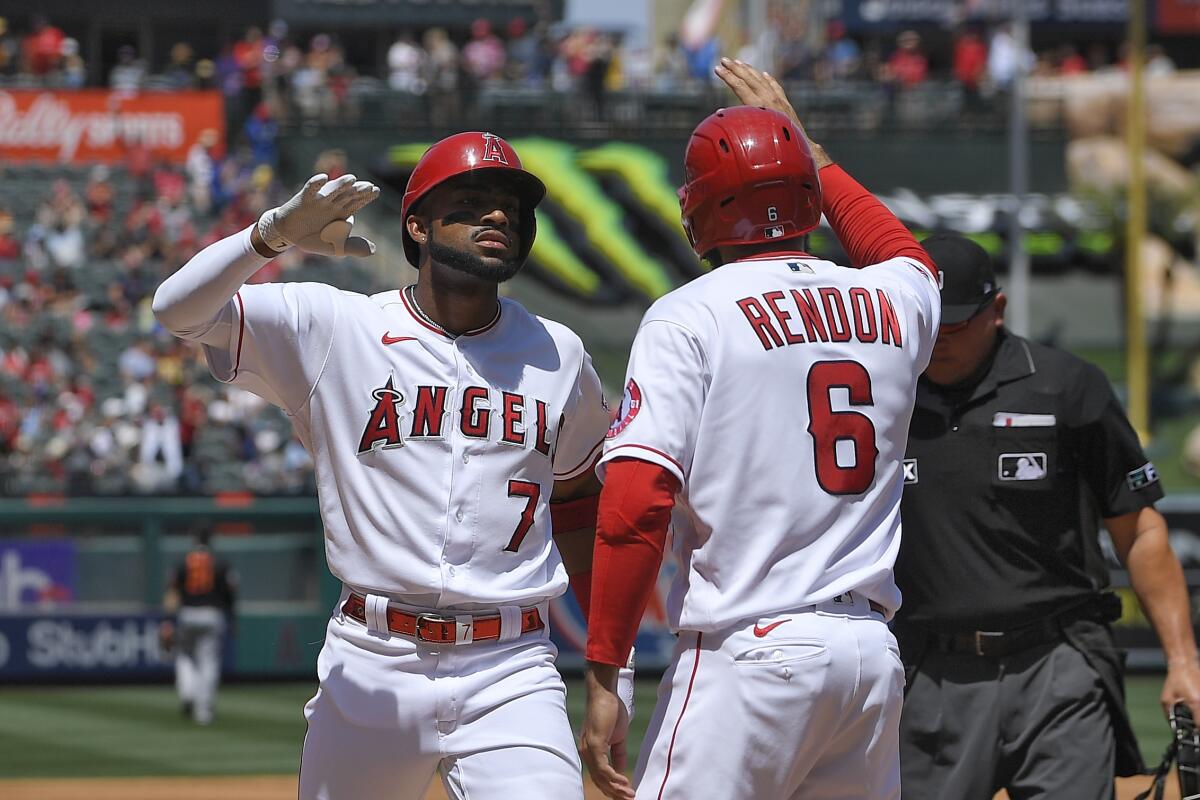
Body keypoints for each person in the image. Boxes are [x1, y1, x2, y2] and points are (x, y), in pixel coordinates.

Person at [153, 132, 616, 799]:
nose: (498, 216)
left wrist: (610, 668)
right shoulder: (336, 326)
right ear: (418, 226)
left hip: (511, 665)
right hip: (372, 660)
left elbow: (577, 500)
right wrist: (270, 236)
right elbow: (176, 310)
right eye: (473, 202)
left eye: (511, 206)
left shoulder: (558, 353)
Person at [580, 58, 942, 800]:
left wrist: (606, 668)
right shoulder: (896, 302)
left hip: (753, 652)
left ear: (698, 211)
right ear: (806, 195)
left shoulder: (691, 313)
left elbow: (636, 504)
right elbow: (903, 253)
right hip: (869, 659)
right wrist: (810, 148)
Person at [893, 234, 1200, 799]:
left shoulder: (1065, 385)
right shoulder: (881, 398)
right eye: (926, 324)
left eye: (956, 325)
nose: (938, 342)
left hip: (1057, 666)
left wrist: (1183, 661)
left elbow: (1141, 530)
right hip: (929, 669)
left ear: (998, 310)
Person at [160, 521, 237, 725]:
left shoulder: (182, 563)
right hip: (213, 614)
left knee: (185, 656)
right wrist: (232, 619)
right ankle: (203, 710)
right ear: (210, 539)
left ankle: (187, 693)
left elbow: (171, 593)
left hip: (187, 613)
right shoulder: (220, 563)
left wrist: (167, 621)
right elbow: (231, 593)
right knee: (208, 662)